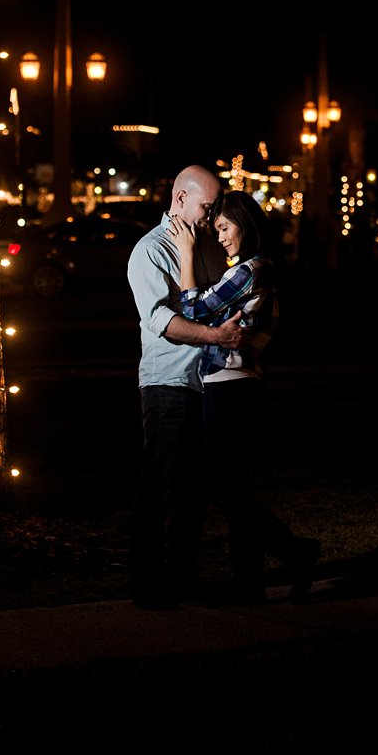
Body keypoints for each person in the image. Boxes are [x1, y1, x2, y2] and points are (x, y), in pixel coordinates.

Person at [170, 190, 321, 605]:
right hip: (234, 383)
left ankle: (294, 552)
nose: (218, 237)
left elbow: (194, 309)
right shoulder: (251, 269)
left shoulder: (251, 269)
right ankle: (251, 579)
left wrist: (185, 254)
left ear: (244, 224)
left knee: (227, 488)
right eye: (214, 228)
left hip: (231, 385)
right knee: (234, 487)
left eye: (224, 227)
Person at [125, 165, 248, 610]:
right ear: (180, 200)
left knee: (195, 487)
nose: (212, 215)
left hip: (208, 380)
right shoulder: (151, 251)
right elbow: (162, 321)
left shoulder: (206, 246)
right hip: (169, 381)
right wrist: (216, 336)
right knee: (160, 482)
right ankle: (146, 582)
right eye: (206, 206)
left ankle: (182, 574)